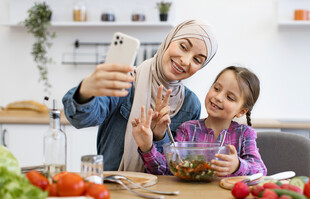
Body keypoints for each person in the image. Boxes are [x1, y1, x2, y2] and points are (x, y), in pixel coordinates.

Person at [62, 19, 218, 172]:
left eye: (197, 60)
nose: (185, 61)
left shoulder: (190, 105)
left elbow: (178, 168)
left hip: (161, 193)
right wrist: (85, 91)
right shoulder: (125, 81)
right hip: (114, 188)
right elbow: (82, 119)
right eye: (183, 46)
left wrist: (159, 137)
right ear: (169, 40)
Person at [132, 66, 267, 177]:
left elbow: (260, 170)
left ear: (242, 111)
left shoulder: (244, 134)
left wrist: (237, 165)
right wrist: (147, 147)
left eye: (230, 97)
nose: (218, 97)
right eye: (216, 88)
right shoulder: (188, 130)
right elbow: (166, 170)